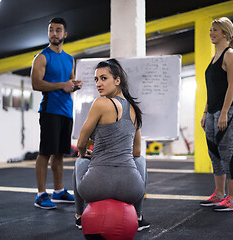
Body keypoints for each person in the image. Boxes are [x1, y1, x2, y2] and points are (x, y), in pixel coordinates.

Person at [74, 59, 150, 231]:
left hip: (96, 188)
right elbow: (136, 152)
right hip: (130, 189)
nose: (98, 84)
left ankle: (79, 216)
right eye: (96, 80)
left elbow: (80, 143)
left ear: (117, 80)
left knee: (80, 161)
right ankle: (138, 217)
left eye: (103, 78)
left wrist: (84, 153)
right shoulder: (134, 110)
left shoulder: (100, 103)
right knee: (141, 161)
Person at [31, 17, 82, 209]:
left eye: (58, 30)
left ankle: (59, 191)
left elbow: (69, 82)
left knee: (59, 153)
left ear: (65, 34)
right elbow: (36, 84)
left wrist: (74, 85)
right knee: (45, 153)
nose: (54, 33)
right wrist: (63, 85)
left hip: (66, 111)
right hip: (50, 110)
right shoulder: (42, 57)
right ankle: (41, 194)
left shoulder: (70, 59)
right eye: (51, 30)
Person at [200, 17, 233, 212]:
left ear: (225, 33)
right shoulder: (214, 56)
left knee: (226, 154)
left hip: (228, 110)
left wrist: (224, 113)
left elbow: (232, 85)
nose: (211, 33)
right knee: (214, 154)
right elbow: (212, 89)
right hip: (212, 111)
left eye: (215, 30)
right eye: (210, 30)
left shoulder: (229, 54)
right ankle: (219, 194)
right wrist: (205, 112)